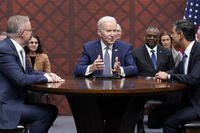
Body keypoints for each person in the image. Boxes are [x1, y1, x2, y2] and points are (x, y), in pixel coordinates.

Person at [0, 15, 64, 133]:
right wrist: (45, 78)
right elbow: (21, 79)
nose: (32, 33)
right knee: (47, 113)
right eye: (30, 30)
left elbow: (29, 72)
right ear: (22, 33)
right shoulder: (4, 49)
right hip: (6, 106)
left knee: (50, 110)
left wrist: (48, 75)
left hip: (17, 101)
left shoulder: (18, 48)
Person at [74, 16, 138, 133]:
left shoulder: (125, 47)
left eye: (114, 30)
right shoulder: (89, 47)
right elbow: (78, 69)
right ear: (99, 32)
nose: (113, 34)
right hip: (95, 95)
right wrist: (91, 67)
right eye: (109, 31)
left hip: (118, 95)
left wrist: (121, 70)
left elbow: (133, 69)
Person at [155, 19, 200, 133]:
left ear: (180, 35)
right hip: (189, 101)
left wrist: (169, 77)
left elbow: (193, 79)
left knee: (170, 122)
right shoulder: (187, 52)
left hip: (197, 104)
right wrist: (161, 74)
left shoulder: (198, 51)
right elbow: (176, 71)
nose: (171, 36)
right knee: (158, 112)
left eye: (173, 33)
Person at [132, 26, 175, 133]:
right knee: (135, 98)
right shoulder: (136, 53)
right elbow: (133, 72)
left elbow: (173, 70)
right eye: (149, 36)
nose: (151, 38)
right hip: (143, 89)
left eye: (154, 36)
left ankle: (169, 123)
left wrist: (165, 75)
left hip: (163, 88)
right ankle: (140, 124)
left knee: (175, 95)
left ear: (158, 38)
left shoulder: (166, 52)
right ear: (144, 37)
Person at [24, 34, 51, 103]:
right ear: (27, 44)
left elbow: (48, 73)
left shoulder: (44, 57)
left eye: (36, 43)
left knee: (34, 93)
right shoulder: (23, 56)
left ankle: (34, 111)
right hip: (26, 84)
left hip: (40, 85)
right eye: (31, 42)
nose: (34, 45)